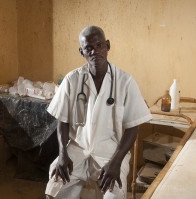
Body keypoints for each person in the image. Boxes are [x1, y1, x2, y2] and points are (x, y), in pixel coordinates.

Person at [45, 25, 152, 199]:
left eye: (99, 45)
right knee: (54, 190)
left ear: (107, 45)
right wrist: (62, 154)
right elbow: (62, 121)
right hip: (76, 149)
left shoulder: (125, 82)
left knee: (113, 196)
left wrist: (116, 163)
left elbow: (133, 128)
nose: (95, 51)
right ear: (82, 52)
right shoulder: (72, 80)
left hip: (110, 153)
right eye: (89, 48)